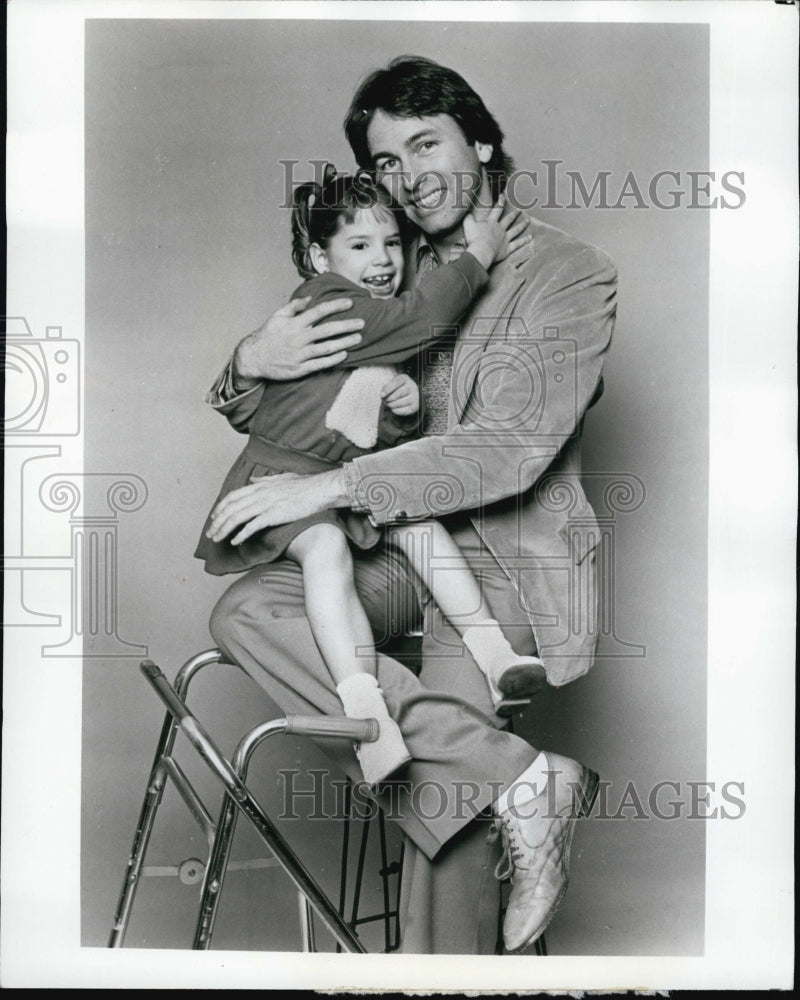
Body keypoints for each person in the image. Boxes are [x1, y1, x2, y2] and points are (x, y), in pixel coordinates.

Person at [204, 56, 617, 954]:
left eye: (425, 143)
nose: (407, 174)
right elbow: (286, 401)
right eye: (387, 160)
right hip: (388, 548)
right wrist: (249, 361)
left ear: (482, 142)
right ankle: (521, 780)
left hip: (502, 562)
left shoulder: (569, 275)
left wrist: (334, 485)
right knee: (248, 606)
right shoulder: (382, 256)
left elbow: (507, 448)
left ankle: (444, 955)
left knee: (445, 823)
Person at [198, 166, 545, 787]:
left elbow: (355, 416)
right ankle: (367, 717)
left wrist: (399, 394)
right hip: (286, 483)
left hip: (354, 485)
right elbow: (424, 318)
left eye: (390, 244)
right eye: (360, 246)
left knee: (416, 518)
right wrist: (482, 253)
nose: (383, 260)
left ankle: (496, 657)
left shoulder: (372, 303)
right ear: (316, 256)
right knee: (325, 549)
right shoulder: (327, 303)